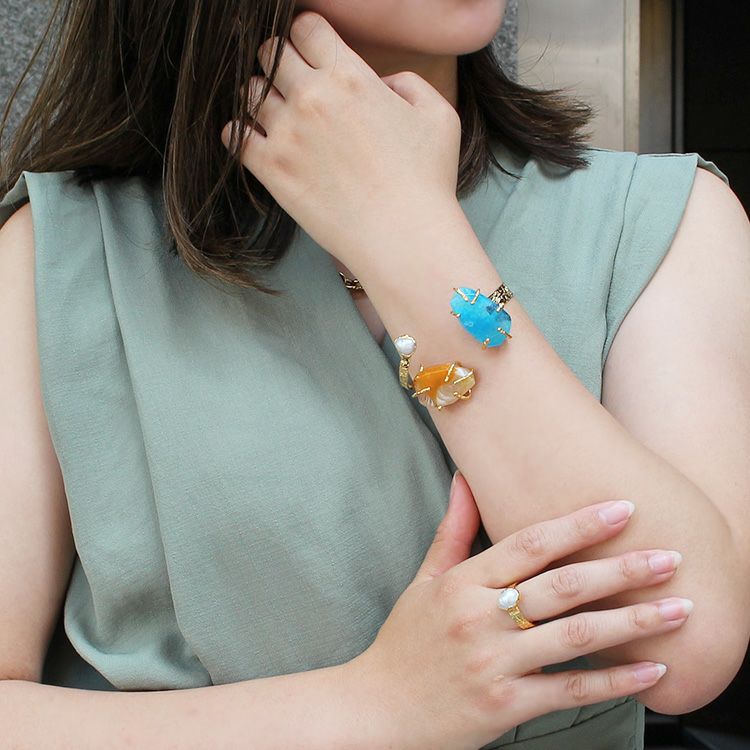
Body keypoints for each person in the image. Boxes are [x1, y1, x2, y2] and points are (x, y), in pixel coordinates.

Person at [1, 1, 749, 748]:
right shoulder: (60, 254)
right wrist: (376, 709)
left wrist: (405, 228)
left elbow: (685, 643)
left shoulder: (657, 218)